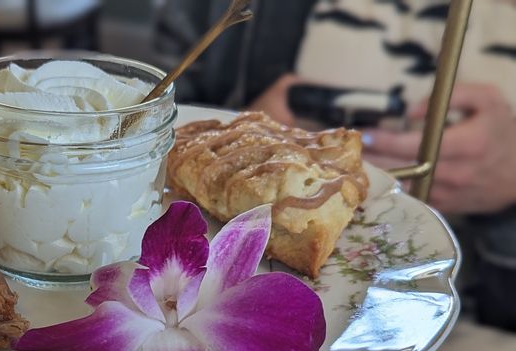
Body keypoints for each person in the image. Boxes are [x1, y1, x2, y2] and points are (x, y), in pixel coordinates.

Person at [153, 0, 516, 330]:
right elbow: (152, 106)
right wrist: (240, 140)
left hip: (478, 336)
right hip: (210, 316)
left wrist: (509, 189)